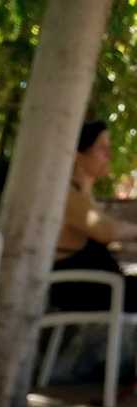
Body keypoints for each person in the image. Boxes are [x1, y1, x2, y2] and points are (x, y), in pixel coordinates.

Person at [49, 119, 137, 313]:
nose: (109, 155)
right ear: (78, 155)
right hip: (81, 290)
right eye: (102, 148)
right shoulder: (68, 195)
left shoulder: (85, 198)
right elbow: (107, 231)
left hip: (104, 286)